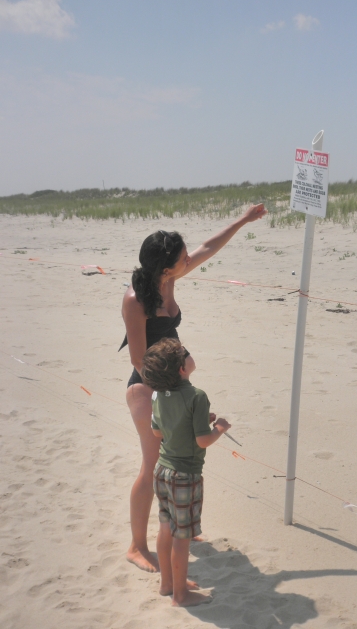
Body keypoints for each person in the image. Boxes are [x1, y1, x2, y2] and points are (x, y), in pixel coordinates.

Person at [121, 204, 266, 572]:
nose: (189, 258)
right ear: (164, 267)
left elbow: (207, 248)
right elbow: (139, 360)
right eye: (181, 257)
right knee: (154, 465)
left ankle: (173, 527)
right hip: (148, 387)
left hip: (175, 381)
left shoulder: (169, 277)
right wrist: (173, 398)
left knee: (178, 459)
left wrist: (243, 220)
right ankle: (137, 546)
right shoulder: (135, 300)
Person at [141, 338, 231, 606]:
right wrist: (220, 428)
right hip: (185, 476)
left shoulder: (158, 394)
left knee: (165, 527)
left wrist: (199, 422)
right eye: (185, 353)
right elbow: (203, 441)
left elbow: (158, 431)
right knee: (182, 537)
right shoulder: (197, 396)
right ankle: (180, 595)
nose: (189, 354)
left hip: (162, 470)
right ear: (182, 368)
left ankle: (168, 584)